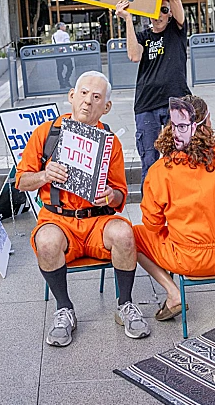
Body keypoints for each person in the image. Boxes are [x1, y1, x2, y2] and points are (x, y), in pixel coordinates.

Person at [133, 36, 215, 321]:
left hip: (188, 261)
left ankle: (173, 294)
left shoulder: (160, 171)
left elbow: (152, 224)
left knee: (133, 236)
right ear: (208, 123)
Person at [15, 71, 150, 347]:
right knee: (46, 240)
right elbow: (21, 180)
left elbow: (121, 193)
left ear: (106, 107)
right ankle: (64, 308)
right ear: (72, 97)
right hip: (58, 220)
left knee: (125, 233)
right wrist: (44, 175)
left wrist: (111, 196)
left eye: (97, 97)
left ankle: (125, 304)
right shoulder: (47, 133)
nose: (88, 101)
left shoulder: (110, 142)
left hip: (97, 223)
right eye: (84, 93)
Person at [116, 0, 191, 186]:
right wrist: (128, 20)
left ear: (169, 14)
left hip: (175, 102)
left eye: (164, 10)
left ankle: (178, 204)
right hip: (147, 104)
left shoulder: (176, 30)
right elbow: (133, 55)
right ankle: (150, 210)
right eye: (154, 9)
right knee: (149, 160)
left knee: (178, 157)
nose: (159, 14)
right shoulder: (143, 36)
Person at [52, 22, 74, 90]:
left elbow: (53, 45)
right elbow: (67, 43)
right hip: (65, 53)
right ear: (61, 27)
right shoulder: (65, 34)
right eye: (64, 26)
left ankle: (61, 84)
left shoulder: (54, 35)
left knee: (59, 69)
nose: (65, 27)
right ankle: (66, 80)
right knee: (70, 67)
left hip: (58, 54)